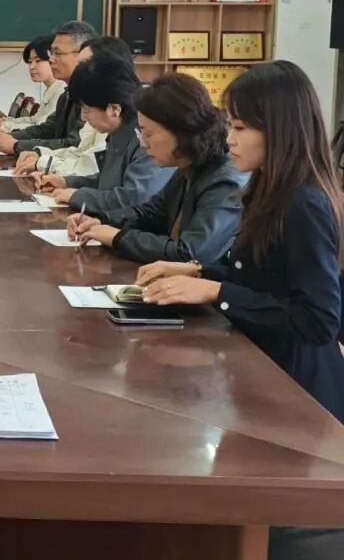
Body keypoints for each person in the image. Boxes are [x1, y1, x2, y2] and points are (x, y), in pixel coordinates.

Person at [136, 61, 344, 560]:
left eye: (242, 127)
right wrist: (197, 272)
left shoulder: (304, 204)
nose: (229, 139)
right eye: (230, 124)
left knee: (247, 522)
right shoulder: (266, 188)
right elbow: (257, 278)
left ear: (281, 130)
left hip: (297, 396)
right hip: (261, 376)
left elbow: (318, 319)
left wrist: (216, 293)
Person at [66, 72, 245, 265]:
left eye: (148, 134)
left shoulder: (225, 182)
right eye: (140, 134)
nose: (143, 144)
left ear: (181, 131)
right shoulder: (188, 166)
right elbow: (150, 213)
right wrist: (101, 220)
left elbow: (189, 253)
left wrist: (117, 237)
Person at [36, 53, 172, 214]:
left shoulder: (146, 138)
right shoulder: (119, 131)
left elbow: (133, 198)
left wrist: (77, 196)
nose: (83, 118)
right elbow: (109, 182)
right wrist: (67, 182)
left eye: (87, 110)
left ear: (114, 109)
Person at [14, 36, 131, 177]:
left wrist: (42, 162)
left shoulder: (117, 114)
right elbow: (80, 152)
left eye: (84, 65)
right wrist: (40, 154)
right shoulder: (83, 99)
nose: (51, 60)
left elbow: (90, 168)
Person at [0, 21, 96, 155]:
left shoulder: (92, 97)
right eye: (51, 53)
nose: (51, 59)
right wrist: (8, 138)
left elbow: (73, 145)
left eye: (57, 53)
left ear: (83, 54)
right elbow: (48, 129)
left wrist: (16, 145)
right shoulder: (67, 94)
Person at [0, 35, 64, 133]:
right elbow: (34, 120)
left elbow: (42, 128)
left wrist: (7, 126)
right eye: (30, 62)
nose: (32, 66)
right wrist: (9, 121)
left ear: (53, 59)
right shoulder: (52, 89)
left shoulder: (61, 92)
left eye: (38, 61)